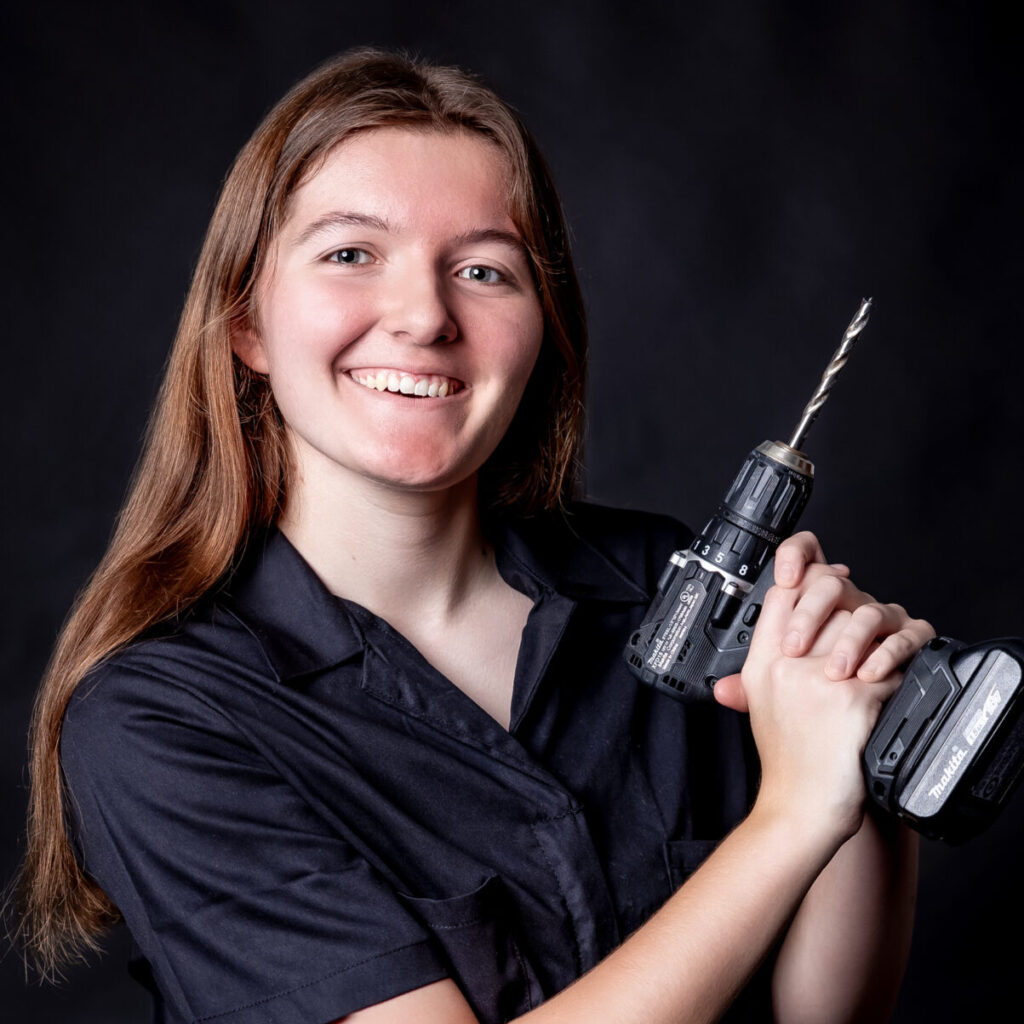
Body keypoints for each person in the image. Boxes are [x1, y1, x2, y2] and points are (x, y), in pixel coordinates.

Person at [21, 49, 932, 1024]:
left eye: (483, 269)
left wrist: (868, 756)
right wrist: (789, 818)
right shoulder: (164, 716)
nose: (423, 317)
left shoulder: (667, 593)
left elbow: (827, 1014)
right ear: (245, 320)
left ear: (542, 331)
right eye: (349, 253)